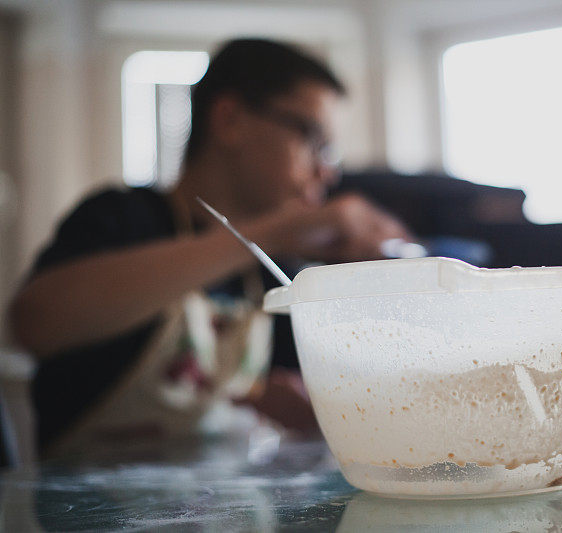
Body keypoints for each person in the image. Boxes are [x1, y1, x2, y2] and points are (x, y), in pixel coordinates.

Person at [9, 39, 410, 456]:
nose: (325, 172)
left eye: (330, 152)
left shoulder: (273, 268)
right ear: (230, 119)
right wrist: (266, 233)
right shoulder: (123, 217)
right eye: (311, 138)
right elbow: (34, 324)